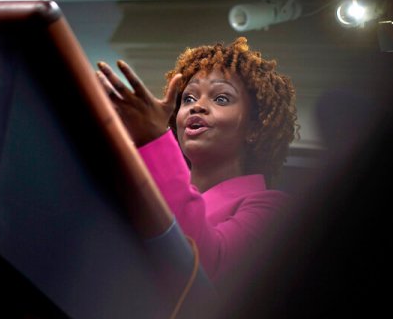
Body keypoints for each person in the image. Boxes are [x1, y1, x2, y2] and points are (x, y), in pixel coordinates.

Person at [96, 36, 298, 290]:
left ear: (254, 129)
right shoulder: (144, 189)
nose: (197, 107)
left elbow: (204, 269)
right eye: (189, 99)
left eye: (221, 99)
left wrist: (155, 139)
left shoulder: (272, 209)